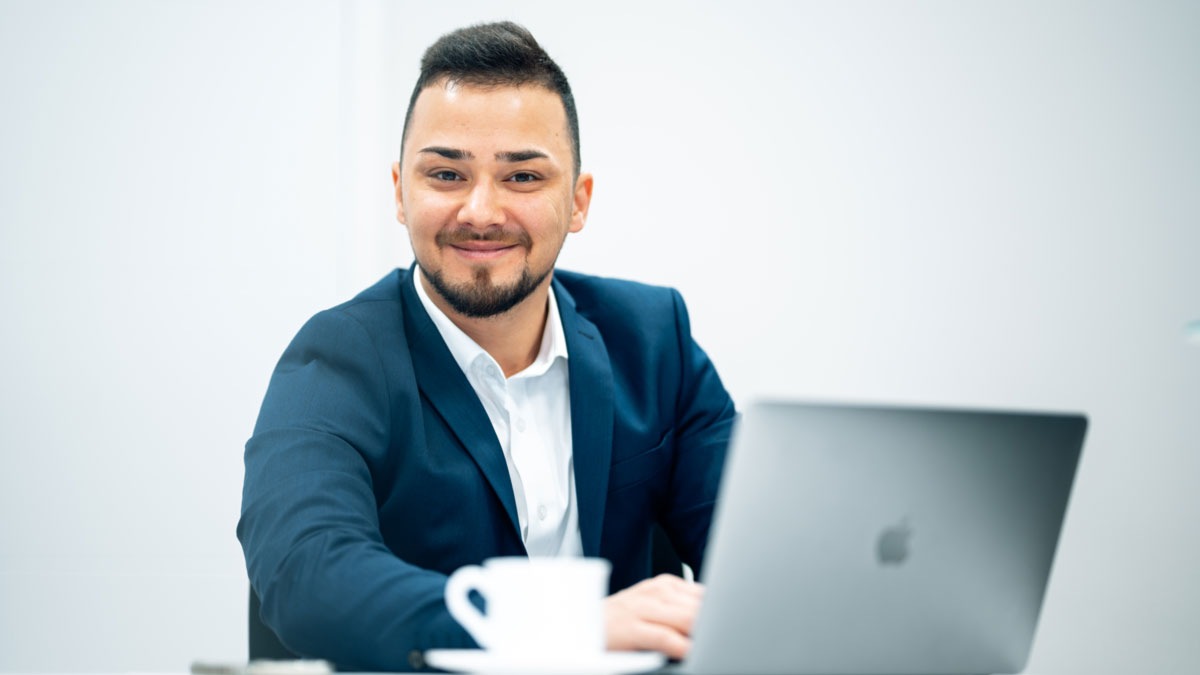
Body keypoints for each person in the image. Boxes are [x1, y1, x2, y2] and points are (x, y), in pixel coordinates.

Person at [238, 21, 736, 671]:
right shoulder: (336, 359)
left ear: (578, 201)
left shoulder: (652, 336)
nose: (480, 210)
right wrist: (559, 625)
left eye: (523, 177)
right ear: (399, 191)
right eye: (446, 173)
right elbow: (305, 573)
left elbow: (760, 556)